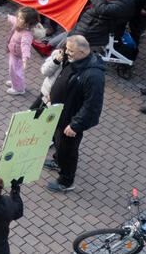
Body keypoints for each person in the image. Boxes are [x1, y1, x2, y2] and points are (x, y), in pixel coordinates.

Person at [44, 35, 104, 192]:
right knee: (58, 143)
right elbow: (64, 80)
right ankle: (58, 161)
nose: (66, 53)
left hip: (70, 121)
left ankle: (66, 181)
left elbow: (92, 105)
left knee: (68, 151)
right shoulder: (75, 61)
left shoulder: (94, 76)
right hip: (60, 114)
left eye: (71, 51)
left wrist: (76, 125)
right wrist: (53, 94)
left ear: (83, 51)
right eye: (67, 49)